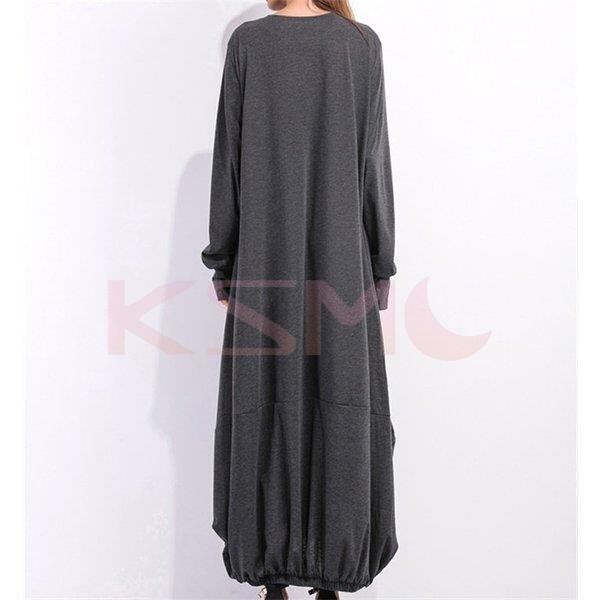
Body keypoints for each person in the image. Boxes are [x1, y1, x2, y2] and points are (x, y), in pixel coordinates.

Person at [202, 0, 398, 597]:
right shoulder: (360, 46)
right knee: (340, 396)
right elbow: (373, 165)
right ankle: (333, 574)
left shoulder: (248, 45)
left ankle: (272, 579)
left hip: (264, 262)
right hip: (343, 264)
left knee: (265, 395)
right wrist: (381, 262)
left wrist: (224, 258)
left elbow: (229, 162)